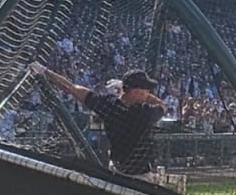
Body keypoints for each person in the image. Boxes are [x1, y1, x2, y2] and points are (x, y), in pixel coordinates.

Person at [30, 63, 165, 181]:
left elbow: (70, 88)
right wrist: (123, 88)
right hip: (140, 176)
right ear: (136, 91)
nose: (147, 93)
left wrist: (45, 71)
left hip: (117, 172)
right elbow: (161, 105)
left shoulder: (108, 105)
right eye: (145, 90)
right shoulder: (144, 112)